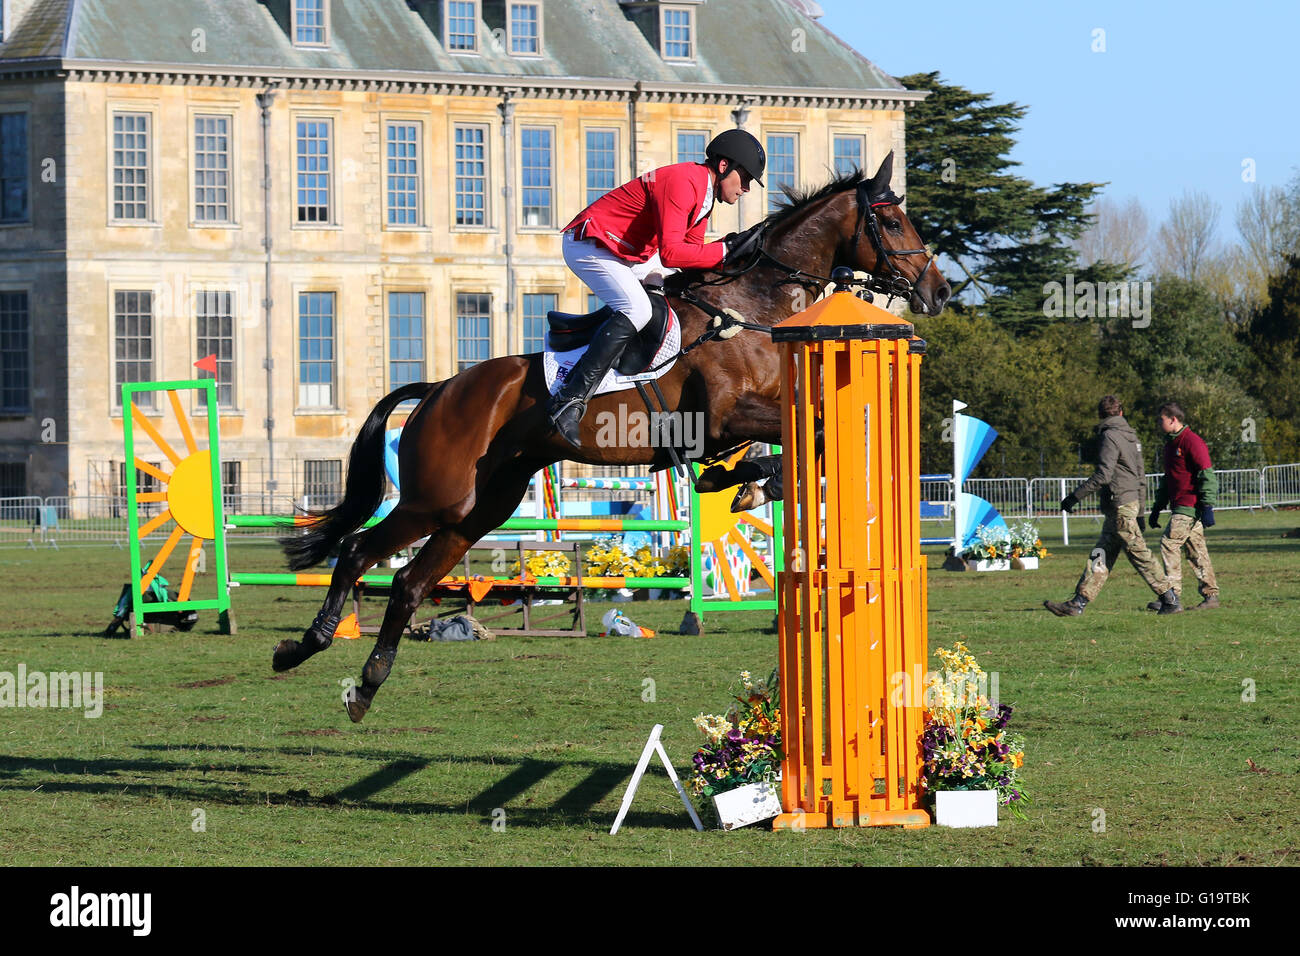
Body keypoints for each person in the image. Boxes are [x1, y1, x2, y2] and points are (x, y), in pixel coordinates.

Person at [547, 128, 768, 447]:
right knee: (637, 309)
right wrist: (725, 250)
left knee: (668, 288)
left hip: (627, 252)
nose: (745, 188)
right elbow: (672, 254)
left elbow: (690, 255)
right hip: (591, 245)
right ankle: (569, 398)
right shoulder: (685, 181)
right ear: (724, 166)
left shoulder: (705, 195)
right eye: (744, 178)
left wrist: (728, 250)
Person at [1044, 395, 1181, 616]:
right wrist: (1140, 512)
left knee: (1139, 553)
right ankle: (1078, 603)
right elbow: (1140, 477)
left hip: (1119, 505)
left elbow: (1104, 475)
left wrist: (1074, 497)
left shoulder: (1109, 436)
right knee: (1101, 554)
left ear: (1100, 415)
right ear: (1121, 413)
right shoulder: (1132, 437)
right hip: (1128, 503)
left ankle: (1170, 598)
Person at [1147, 402, 1220, 611]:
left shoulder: (1191, 441)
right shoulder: (1170, 445)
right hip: (1179, 505)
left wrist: (1207, 506)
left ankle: (1172, 597)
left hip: (1189, 506)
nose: (1158, 423)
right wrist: (1156, 508)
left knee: (1169, 543)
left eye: (1161, 419)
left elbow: (1206, 474)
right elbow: (1168, 480)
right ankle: (1211, 596)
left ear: (1173, 419)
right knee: (1196, 551)